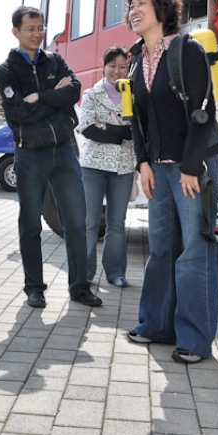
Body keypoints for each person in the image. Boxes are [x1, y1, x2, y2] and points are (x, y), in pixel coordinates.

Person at [124, 0, 218, 364]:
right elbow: (137, 119)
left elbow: (203, 110)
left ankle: (194, 340)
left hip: (191, 167)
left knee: (194, 251)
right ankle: (156, 325)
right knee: (161, 249)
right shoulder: (136, 60)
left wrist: (193, 166)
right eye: (130, 6)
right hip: (159, 170)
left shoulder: (187, 49)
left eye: (140, 4)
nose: (133, 11)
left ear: (162, 9)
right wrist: (143, 163)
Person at [0, 6, 102, 309]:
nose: (37, 33)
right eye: (30, 28)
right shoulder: (6, 70)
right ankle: (34, 288)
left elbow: (74, 91)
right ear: (16, 31)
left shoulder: (55, 60)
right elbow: (18, 112)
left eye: (41, 27)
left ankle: (80, 287)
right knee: (31, 224)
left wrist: (40, 96)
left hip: (64, 151)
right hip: (30, 154)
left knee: (76, 222)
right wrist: (55, 98)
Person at [77, 46, 135, 287]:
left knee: (117, 224)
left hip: (123, 167)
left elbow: (136, 131)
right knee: (89, 222)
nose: (117, 71)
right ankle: (84, 273)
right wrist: (121, 132)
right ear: (103, 67)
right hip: (93, 166)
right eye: (112, 66)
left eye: (122, 66)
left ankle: (115, 272)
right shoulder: (91, 94)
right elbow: (88, 128)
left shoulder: (134, 95)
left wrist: (106, 128)